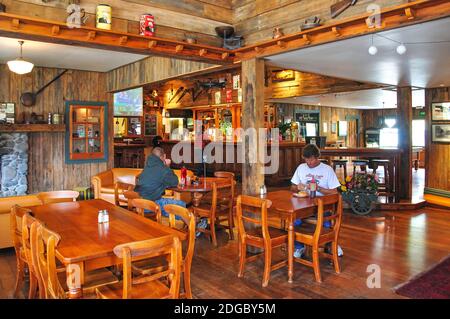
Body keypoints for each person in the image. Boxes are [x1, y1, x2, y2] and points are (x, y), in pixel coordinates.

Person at [134, 147, 208, 234]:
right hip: (152, 205)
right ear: (164, 156)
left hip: (140, 203)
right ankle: (194, 230)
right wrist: (167, 166)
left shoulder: (148, 166)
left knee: (174, 204)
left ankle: (194, 223)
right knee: (181, 205)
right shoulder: (162, 168)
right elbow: (174, 181)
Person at [290, 144, 343, 258]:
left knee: (326, 224)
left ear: (317, 157)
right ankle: (299, 247)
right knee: (294, 221)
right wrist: (297, 187)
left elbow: (334, 192)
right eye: (306, 159)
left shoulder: (327, 170)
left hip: (323, 205)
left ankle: (331, 245)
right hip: (304, 204)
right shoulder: (301, 168)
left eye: (312, 159)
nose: (309, 162)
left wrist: (319, 188)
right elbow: (292, 187)